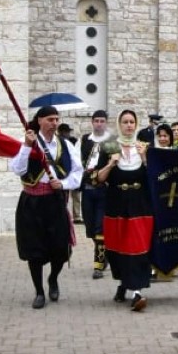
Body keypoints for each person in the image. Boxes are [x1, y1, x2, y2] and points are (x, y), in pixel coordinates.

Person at [9, 106, 83, 308]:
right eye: (50, 119)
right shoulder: (29, 142)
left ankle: (53, 278)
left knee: (61, 249)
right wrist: (26, 146)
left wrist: (64, 184)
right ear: (40, 120)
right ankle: (39, 291)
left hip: (54, 201)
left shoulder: (66, 145)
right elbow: (16, 169)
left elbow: (78, 172)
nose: (54, 123)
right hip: (31, 202)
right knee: (35, 249)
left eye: (57, 119)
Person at [96, 109, 153, 311]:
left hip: (140, 205)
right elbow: (98, 179)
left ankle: (137, 292)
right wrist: (111, 164)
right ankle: (123, 284)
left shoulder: (144, 147)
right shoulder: (109, 146)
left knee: (137, 247)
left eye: (132, 122)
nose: (129, 125)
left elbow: (154, 179)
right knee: (118, 247)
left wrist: (145, 159)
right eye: (125, 121)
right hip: (116, 203)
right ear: (119, 124)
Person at [78, 109, 113, 279]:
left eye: (102, 121)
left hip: (103, 191)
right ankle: (104, 253)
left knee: (100, 228)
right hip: (87, 190)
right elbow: (77, 163)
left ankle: (98, 265)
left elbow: (115, 163)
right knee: (91, 228)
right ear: (92, 122)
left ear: (106, 122)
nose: (99, 124)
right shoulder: (85, 140)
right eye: (96, 121)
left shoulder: (111, 141)